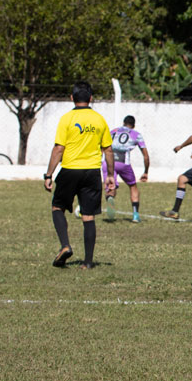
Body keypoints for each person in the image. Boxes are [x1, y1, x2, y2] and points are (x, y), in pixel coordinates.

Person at [44, 81, 115, 270]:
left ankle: (65, 245)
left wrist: (49, 174)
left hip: (70, 170)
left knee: (57, 207)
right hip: (92, 172)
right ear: (91, 98)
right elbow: (108, 150)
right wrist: (110, 175)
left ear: (71, 98)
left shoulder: (66, 119)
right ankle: (88, 262)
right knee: (88, 216)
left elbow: (59, 149)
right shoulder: (99, 119)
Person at [103, 115, 150, 223]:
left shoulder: (113, 131)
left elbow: (102, 146)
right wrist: (146, 172)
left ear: (123, 123)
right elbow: (146, 156)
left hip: (107, 161)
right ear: (133, 125)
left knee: (111, 185)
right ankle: (135, 215)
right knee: (133, 186)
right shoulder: (136, 134)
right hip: (123, 163)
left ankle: (110, 196)